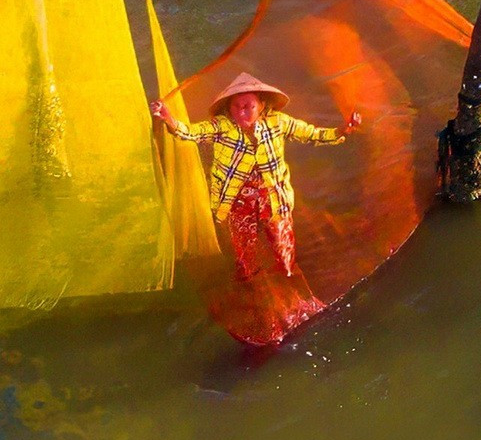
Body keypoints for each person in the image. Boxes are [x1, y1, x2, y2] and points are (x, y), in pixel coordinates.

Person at [150, 72, 361, 282]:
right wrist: (167, 117)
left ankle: (288, 276)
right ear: (228, 109)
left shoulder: (278, 122)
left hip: (272, 194)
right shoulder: (222, 127)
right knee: (244, 248)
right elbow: (190, 132)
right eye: (236, 107)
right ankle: (250, 281)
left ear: (261, 105)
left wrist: (343, 130)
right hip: (237, 199)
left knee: (282, 241)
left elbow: (313, 134)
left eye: (248, 106)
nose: (242, 112)